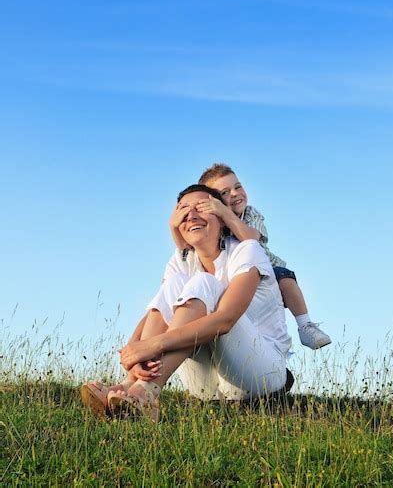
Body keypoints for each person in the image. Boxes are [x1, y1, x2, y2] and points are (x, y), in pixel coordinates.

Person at [81, 184, 292, 420]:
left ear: (222, 218)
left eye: (201, 207)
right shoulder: (182, 260)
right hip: (208, 386)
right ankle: (131, 386)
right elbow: (159, 309)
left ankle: (147, 390)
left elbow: (226, 320)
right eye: (183, 210)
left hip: (262, 375)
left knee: (205, 283)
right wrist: (133, 356)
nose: (191, 215)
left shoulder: (246, 251)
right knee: (175, 284)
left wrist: (153, 346)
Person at [170, 165, 331, 350]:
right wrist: (173, 226)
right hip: (235, 275)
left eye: (238, 187)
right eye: (225, 192)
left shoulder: (251, 214)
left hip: (267, 270)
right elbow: (185, 248)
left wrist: (225, 213)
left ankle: (305, 325)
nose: (235, 194)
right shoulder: (211, 223)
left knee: (286, 278)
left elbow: (250, 239)